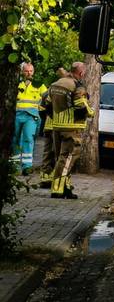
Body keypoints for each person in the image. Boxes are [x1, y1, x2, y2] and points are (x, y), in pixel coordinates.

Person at [46, 62, 94, 199]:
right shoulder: (77, 86)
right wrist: (91, 113)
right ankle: (57, 189)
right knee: (67, 158)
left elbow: (46, 104)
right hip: (72, 128)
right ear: (81, 73)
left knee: (61, 158)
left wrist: (55, 117)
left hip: (57, 126)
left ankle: (66, 188)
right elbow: (81, 105)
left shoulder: (56, 84)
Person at [12, 62, 41, 175]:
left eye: (31, 71)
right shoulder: (17, 84)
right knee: (15, 139)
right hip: (17, 115)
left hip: (31, 116)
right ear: (22, 72)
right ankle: (13, 165)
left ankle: (27, 166)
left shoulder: (39, 84)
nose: (29, 73)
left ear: (33, 72)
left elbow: (47, 96)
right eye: (26, 71)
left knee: (28, 138)